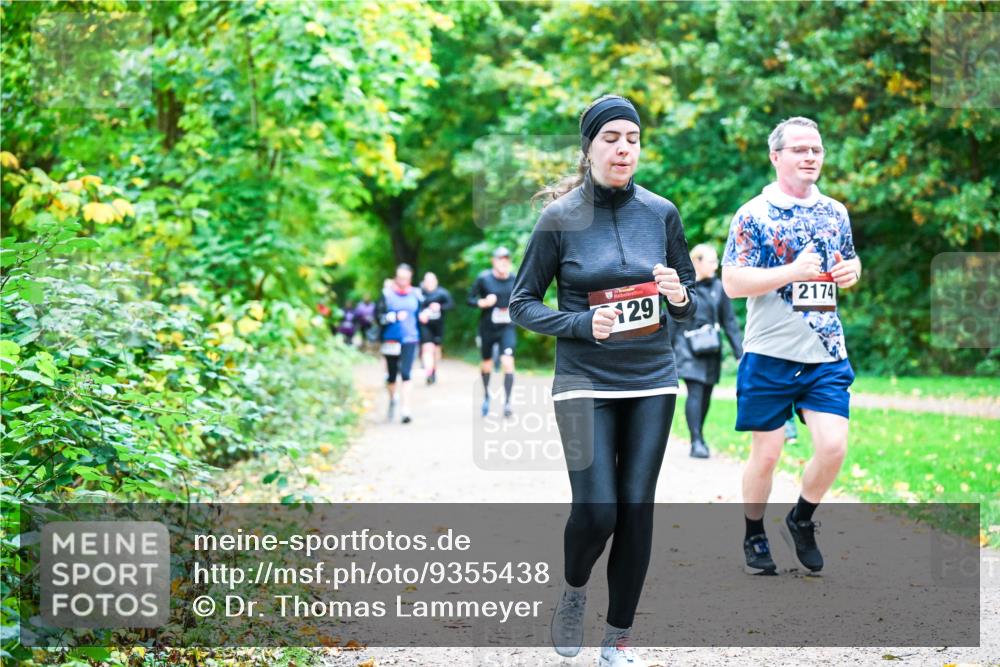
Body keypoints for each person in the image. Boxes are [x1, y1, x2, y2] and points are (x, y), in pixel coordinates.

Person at [510, 94, 696, 667]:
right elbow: (522, 305)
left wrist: (678, 294)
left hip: (652, 378)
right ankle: (572, 592)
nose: (623, 148)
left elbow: (689, 304)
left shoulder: (661, 212)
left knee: (636, 509)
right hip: (584, 379)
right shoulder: (559, 218)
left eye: (632, 139)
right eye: (611, 137)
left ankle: (617, 639)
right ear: (588, 147)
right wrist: (582, 323)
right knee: (597, 511)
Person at [721, 116, 861, 576]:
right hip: (770, 352)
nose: (810, 157)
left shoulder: (835, 212)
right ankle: (754, 533)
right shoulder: (753, 215)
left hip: (825, 352)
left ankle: (801, 520)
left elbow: (849, 259)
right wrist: (790, 272)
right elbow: (732, 282)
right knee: (767, 454)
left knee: (834, 446)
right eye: (799, 149)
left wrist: (851, 272)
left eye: (816, 150)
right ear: (776, 157)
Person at [669, 243, 743, 459]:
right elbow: (673, 320)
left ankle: (699, 433)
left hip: (710, 348)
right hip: (687, 348)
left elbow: (729, 321)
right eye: (711, 261)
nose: (716, 265)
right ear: (697, 262)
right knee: (696, 391)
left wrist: (740, 354)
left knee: (706, 394)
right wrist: (666, 350)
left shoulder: (719, 288)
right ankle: (696, 440)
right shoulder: (683, 286)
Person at [468, 247, 518, 418]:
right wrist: (482, 303)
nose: (503, 262)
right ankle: (487, 397)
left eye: (506, 259)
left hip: (507, 327)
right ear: (493, 261)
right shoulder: (484, 279)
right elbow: (470, 299)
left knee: (507, 362)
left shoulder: (515, 279)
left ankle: (508, 402)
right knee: (487, 363)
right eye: (500, 259)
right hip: (487, 327)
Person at [376, 264, 423, 424]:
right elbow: (378, 317)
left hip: (410, 339)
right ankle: (392, 399)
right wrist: (394, 317)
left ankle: (406, 409)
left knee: (406, 374)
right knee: (391, 375)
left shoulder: (416, 294)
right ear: (396, 277)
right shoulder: (386, 295)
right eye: (400, 277)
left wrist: (424, 317)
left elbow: (420, 313)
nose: (403, 281)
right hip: (390, 340)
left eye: (406, 278)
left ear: (410, 278)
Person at [417, 272, 454, 385]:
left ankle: (433, 371)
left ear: (436, 281)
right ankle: (428, 373)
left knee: (436, 351)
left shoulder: (442, 293)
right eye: (427, 281)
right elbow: (413, 307)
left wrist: (440, 307)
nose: (429, 283)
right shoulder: (419, 294)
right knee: (427, 348)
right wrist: (420, 314)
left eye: (431, 281)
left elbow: (451, 305)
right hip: (425, 326)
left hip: (438, 326)